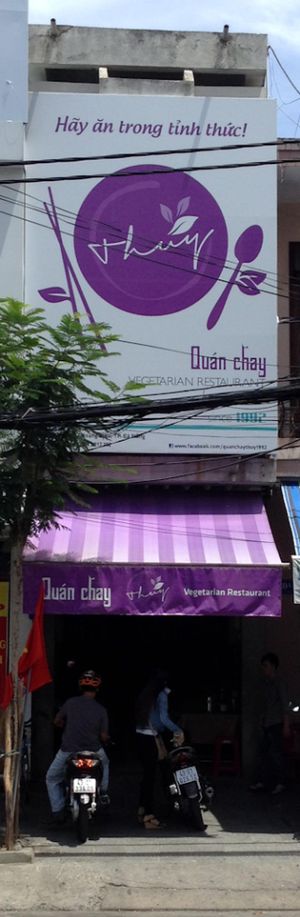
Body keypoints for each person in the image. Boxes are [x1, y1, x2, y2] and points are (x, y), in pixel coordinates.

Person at [46, 669, 110, 825]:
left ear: (81, 688)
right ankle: (102, 791)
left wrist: (63, 725)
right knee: (106, 763)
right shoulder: (101, 710)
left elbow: (57, 721)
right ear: (97, 689)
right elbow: (103, 736)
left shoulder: (70, 703)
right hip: (93, 750)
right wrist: (107, 739)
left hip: (68, 750)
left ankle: (58, 810)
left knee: (52, 778)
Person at [135, 671, 184, 829]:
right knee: (155, 776)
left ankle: (142, 811)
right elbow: (163, 718)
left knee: (147, 776)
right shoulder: (161, 694)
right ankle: (149, 816)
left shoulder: (146, 694)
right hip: (151, 739)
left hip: (141, 737)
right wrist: (177, 730)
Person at [250, 652, 290, 795]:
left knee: (276, 753)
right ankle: (264, 781)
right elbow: (265, 705)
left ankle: (281, 782)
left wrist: (286, 724)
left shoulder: (279, 682)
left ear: (273, 666)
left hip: (277, 723)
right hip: (267, 722)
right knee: (264, 753)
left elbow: (285, 705)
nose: (263, 669)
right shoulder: (266, 684)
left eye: (266, 666)